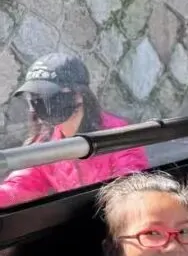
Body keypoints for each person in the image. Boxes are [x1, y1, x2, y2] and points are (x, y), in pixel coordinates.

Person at [0, 54, 147, 208]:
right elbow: (20, 186)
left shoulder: (117, 135)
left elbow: (131, 188)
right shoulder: (45, 144)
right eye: (34, 96)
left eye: (49, 94)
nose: (40, 102)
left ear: (79, 95)